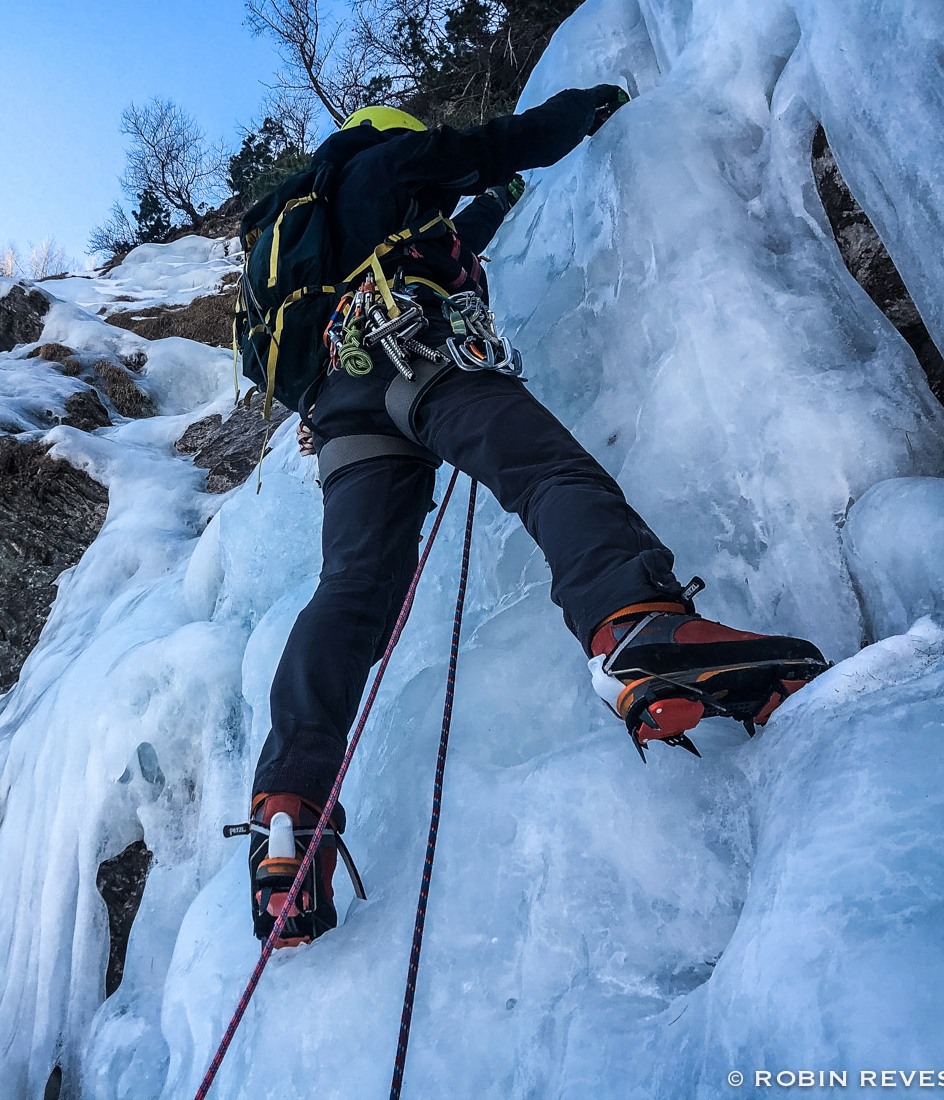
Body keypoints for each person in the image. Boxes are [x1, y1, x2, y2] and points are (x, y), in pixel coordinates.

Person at [245, 92, 828, 945]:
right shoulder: (380, 164)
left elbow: (455, 230)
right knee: (545, 472)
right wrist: (590, 107)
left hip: (340, 413)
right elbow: (497, 143)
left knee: (351, 589)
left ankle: (287, 817)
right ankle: (637, 626)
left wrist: (492, 211)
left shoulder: (304, 237)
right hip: (417, 353)